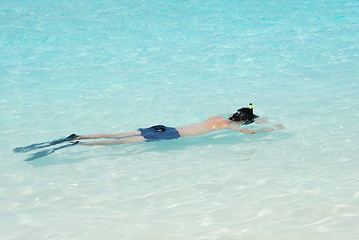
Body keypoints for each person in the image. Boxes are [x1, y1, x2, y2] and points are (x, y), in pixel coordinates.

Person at [75, 103, 284, 146]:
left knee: (119, 135)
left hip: (167, 127)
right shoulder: (227, 126)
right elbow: (252, 133)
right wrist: (271, 127)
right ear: (244, 121)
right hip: (172, 136)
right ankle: (82, 145)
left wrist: (248, 113)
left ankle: (81, 137)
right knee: (124, 143)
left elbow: (229, 113)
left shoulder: (214, 118)